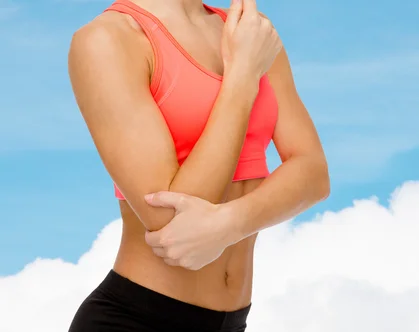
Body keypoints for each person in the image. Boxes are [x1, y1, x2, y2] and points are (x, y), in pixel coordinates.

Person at [66, 0, 330, 330]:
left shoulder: (250, 30)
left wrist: (228, 224)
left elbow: (314, 173)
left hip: (232, 322)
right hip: (137, 320)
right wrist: (242, 77)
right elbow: (169, 222)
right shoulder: (108, 39)